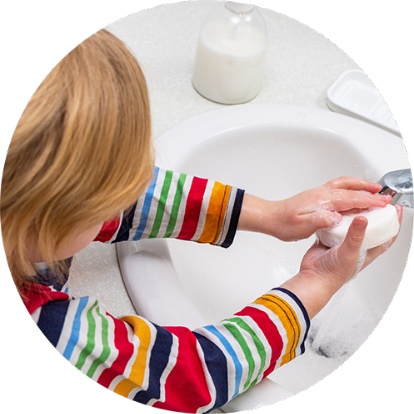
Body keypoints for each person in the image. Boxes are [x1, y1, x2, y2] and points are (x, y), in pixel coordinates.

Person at [0, 29, 402, 413]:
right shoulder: (48, 333)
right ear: (40, 219)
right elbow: (190, 372)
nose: (129, 195)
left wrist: (270, 214)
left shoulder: (20, 218)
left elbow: (128, 198)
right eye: (107, 199)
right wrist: (316, 283)